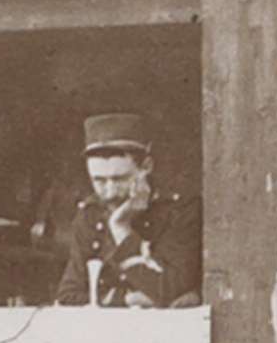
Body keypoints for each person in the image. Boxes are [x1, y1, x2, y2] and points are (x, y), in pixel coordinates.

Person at [52, 113, 202, 308]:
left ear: (146, 167)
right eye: (99, 181)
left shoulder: (180, 211)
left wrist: (121, 227)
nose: (110, 192)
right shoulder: (90, 214)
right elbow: (68, 295)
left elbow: (168, 290)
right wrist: (126, 299)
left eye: (120, 179)